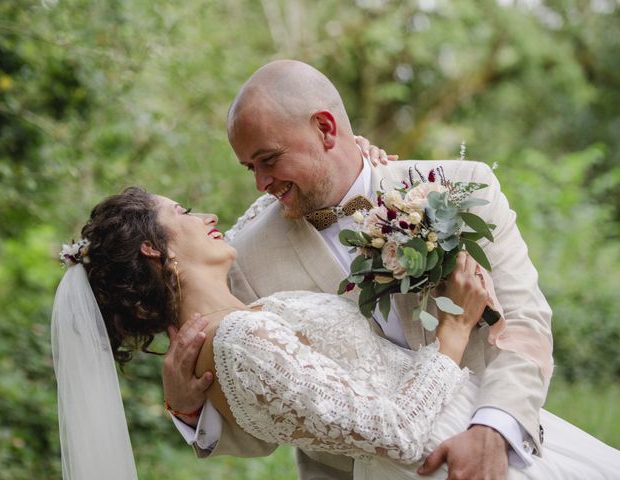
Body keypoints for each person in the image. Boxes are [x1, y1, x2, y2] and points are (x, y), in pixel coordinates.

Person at [52, 187, 620, 480]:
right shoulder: (235, 342)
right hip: (448, 458)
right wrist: (454, 328)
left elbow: (284, 194)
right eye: (182, 210)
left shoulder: (230, 326)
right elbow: (395, 430)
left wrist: (357, 158)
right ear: (156, 247)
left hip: (483, 426)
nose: (204, 215)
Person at [162, 60, 551, 479]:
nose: (260, 183)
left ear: (326, 129)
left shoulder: (460, 190)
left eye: (269, 160)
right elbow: (269, 414)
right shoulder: (244, 259)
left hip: (495, 457)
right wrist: (189, 407)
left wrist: (493, 429)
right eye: (250, 168)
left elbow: (525, 326)